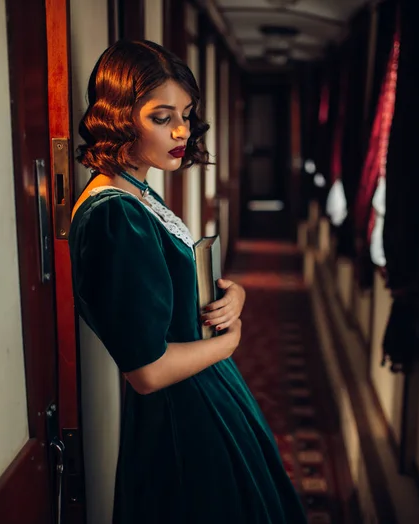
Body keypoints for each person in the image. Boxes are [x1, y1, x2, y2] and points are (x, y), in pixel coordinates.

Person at [69, 39, 307, 523]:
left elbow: (165, 293)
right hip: (182, 414)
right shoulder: (113, 215)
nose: (182, 129)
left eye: (187, 113)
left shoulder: (135, 190)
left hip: (204, 389)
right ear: (118, 118)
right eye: (161, 117)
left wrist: (227, 294)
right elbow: (147, 371)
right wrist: (232, 340)